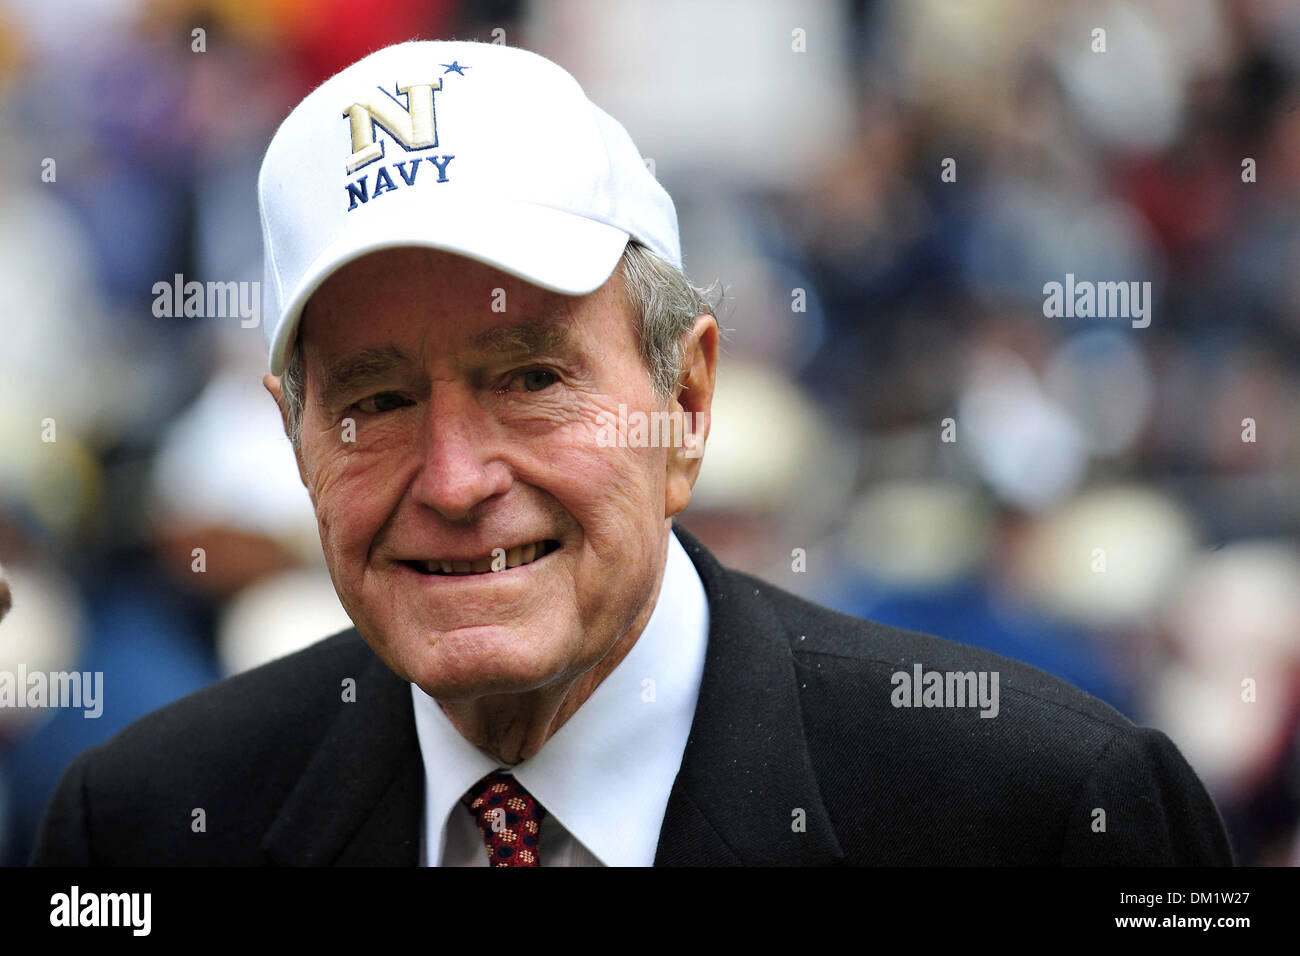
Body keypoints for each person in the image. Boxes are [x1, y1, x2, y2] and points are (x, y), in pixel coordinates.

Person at [30, 39, 1232, 866]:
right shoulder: (142, 824)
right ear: (295, 438)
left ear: (687, 400)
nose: (455, 478)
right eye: (378, 398)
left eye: (531, 379)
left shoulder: (1046, 810)